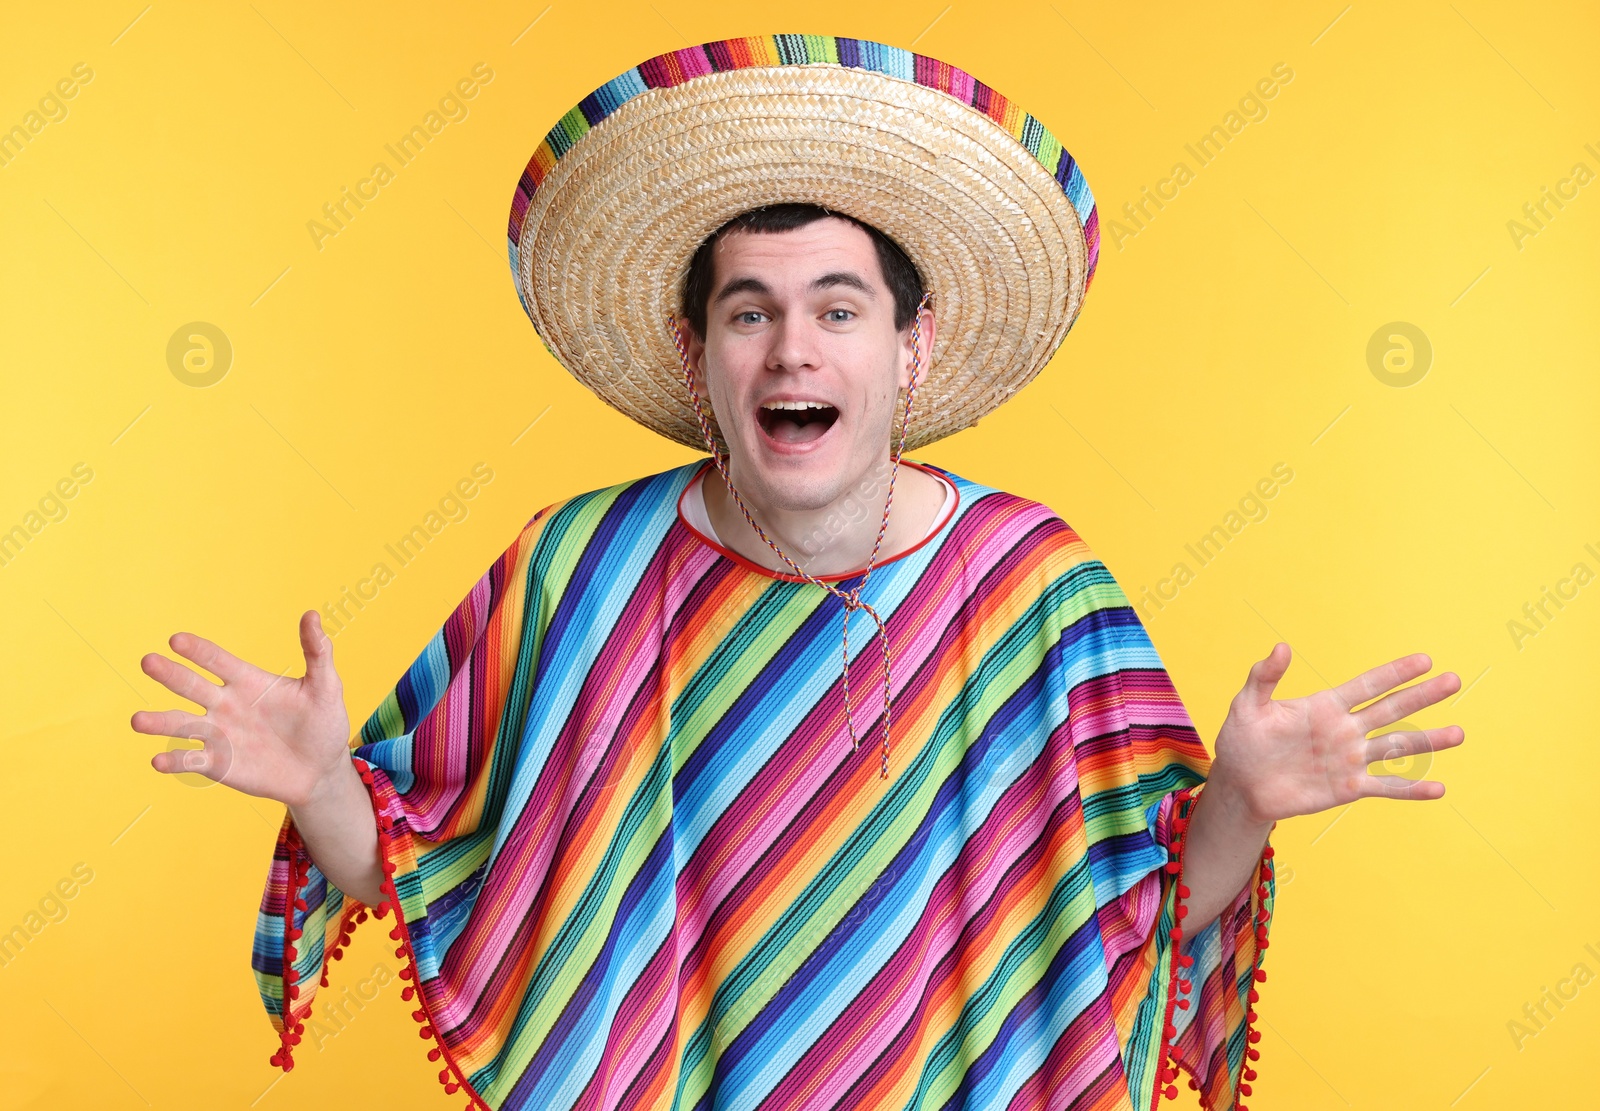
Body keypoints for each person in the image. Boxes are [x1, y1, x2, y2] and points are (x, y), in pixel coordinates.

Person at [131, 35, 1464, 1111]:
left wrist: (1239, 800)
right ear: (695, 347)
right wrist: (318, 784)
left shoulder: (1031, 588)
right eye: (749, 311)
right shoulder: (577, 571)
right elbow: (418, 874)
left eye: (838, 308)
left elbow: (1154, 903)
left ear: (912, 348)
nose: (792, 353)